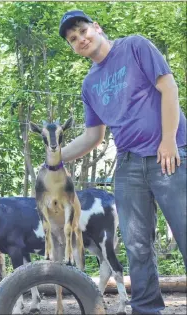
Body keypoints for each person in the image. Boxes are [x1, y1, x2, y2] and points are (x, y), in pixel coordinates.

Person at [58, 10, 186, 315]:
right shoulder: (90, 84)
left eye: (82, 31)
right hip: (128, 165)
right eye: (73, 39)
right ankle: (146, 308)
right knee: (136, 243)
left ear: (97, 28)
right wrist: (56, 157)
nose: (80, 39)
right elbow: (92, 137)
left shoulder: (135, 46)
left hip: (169, 153)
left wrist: (168, 139)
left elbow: (168, 87)